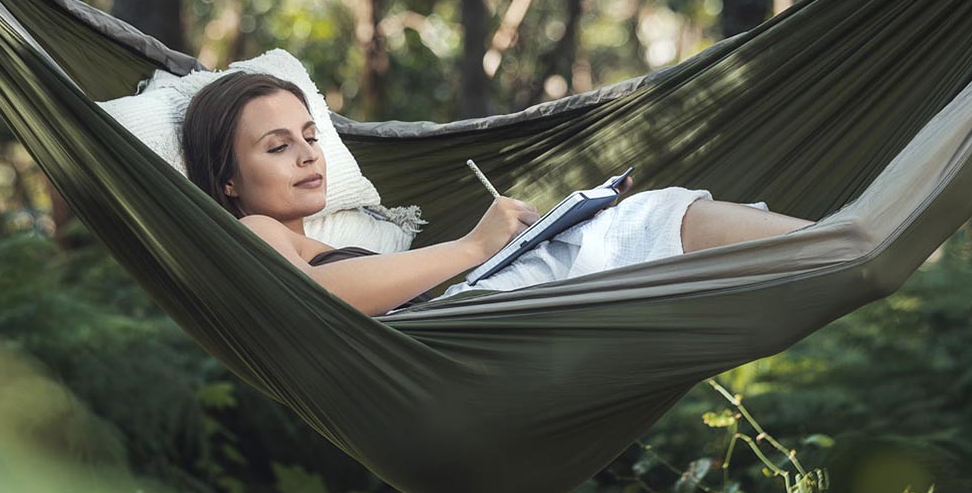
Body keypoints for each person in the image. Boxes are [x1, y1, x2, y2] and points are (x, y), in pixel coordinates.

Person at [180, 72, 816, 316]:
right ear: (228, 180)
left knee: (636, 223)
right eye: (277, 145)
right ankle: (833, 246)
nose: (308, 153)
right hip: (463, 325)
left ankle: (830, 248)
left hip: (476, 316)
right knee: (649, 218)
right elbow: (317, 298)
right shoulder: (253, 232)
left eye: (310, 135)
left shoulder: (314, 240)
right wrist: (471, 247)